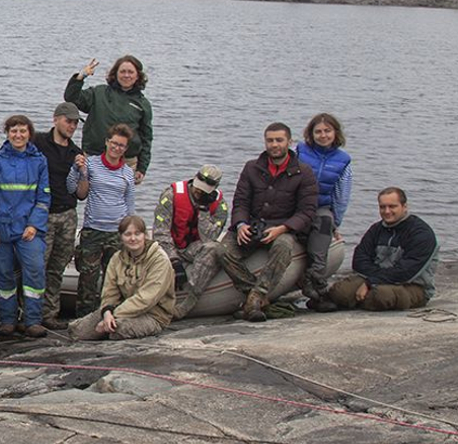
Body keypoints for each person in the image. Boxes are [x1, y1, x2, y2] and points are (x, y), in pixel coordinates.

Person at [221, 122, 320, 322]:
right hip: (253, 225)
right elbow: (240, 202)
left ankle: (257, 297)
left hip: (283, 227)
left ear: (289, 142)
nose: (274, 145)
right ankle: (254, 293)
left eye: (279, 140)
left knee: (283, 246)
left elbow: (307, 211)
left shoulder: (303, 172)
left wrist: (283, 228)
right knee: (221, 250)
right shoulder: (252, 168)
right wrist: (241, 225)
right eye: (270, 140)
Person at [0, 115, 51, 338]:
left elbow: (44, 198)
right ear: (7, 134)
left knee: (35, 271)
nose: (18, 135)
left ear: (30, 133)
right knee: (4, 275)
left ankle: (33, 321)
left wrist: (34, 225)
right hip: (1, 229)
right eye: (13, 131)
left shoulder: (39, 161)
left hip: (28, 229)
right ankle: (8, 320)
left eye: (22, 131)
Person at [326, 188, 438, 311]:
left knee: (381, 296)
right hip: (374, 279)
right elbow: (359, 260)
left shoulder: (421, 233)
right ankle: (358, 300)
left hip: (412, 285)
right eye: (382, 207)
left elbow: (406, 271)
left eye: (392, 206)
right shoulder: (376, 229)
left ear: (404, 206)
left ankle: (360, 301)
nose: (387, 211)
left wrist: (370, 282)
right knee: (340, 292)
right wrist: (372, 280)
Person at [66, 124, 137, 316]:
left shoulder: (127, 173)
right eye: (114, 143)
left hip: (116, 233)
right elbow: (73, 189)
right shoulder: (91, 164)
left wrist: (130, 233)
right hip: (93, 231)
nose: (116, 148)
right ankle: (84, 317)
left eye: (121, 145)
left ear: (126, 148)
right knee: (87, 280)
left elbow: (130, 204)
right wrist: (76, 169)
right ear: (107, 142)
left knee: (113, 279)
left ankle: (110, 316)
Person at [69, 216, 175, 340]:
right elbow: (109, 293)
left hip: (153, 315)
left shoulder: (159, 260)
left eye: (137, 234)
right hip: (120, 308)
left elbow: (146, 298)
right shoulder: (116, 259)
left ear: (145, 235)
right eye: (128, 234)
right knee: (77, 331)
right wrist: (107, 313)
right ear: (121, 237)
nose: (133, 238)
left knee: (117, 328)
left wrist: (114, 315)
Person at [32, 103, 86, 330]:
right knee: (37, 266)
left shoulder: (76, 153)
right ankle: (30, 313)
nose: (72, 126)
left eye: (75, 123)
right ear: (55, 119)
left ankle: (50, 313)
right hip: (42, 213)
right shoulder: (38, 142)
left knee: (57, 267)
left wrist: (83, 172)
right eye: (68, 121)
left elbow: (81, 194)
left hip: (68, 214)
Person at [151, 165, 228, 317]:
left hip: (193, 247)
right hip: (169, 245)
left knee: (213, 249)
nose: (199, 191)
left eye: (204, 190)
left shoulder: (220, 205)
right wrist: (174, 260)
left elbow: (209, 238)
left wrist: (204, 211)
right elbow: (160, 231)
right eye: (198, 186)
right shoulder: (171, 195)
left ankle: (190, 300)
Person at [296, 113, 353, 311]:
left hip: (320, 207)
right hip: (296, 205)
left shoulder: (343, 161)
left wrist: (335, 224)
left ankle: (315, 284)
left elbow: (341, 195)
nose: (323, 135)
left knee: (325, 224)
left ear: (335, 132)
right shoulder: (300, 151)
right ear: (311, 134)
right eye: (318, 131)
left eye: (327, 131)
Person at [63, 56, 153, 184]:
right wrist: (81, 76)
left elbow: (146, 138)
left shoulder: (143, 104)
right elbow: (71, 98)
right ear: (115, 73)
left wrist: (142, 168)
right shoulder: (99, 93)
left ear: (138, 75)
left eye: (130, 72)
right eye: (122, 71)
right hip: (94, 156)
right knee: (87, 192)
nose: (126, 75)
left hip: (126, 161)